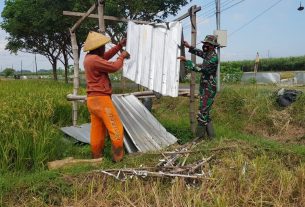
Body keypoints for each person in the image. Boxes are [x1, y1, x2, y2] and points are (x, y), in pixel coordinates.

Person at [83, 31, 130, 162]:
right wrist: (122, 56)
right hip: (101, 100)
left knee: (97, 130)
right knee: (116, 128)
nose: (104, 48)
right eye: (103, 46)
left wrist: (119, 46)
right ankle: (118, 158)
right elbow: (114, 67)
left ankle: (96, 157)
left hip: (92, 100)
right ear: (98, 47)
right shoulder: (94, 60)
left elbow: (105, 57)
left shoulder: (89, 58)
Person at [178, 35, 219, 139]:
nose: (204, 45)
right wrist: (189, 47)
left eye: (207, 44)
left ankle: (198, 139)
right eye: (204, 43)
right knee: (206, 113)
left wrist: (186, 61)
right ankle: (212, 138)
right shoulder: (209, 54)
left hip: (209, 89)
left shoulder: (213, 58)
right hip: (205, 88)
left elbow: (201, 69)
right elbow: (201, 53)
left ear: (213, 46)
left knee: (202, 114)